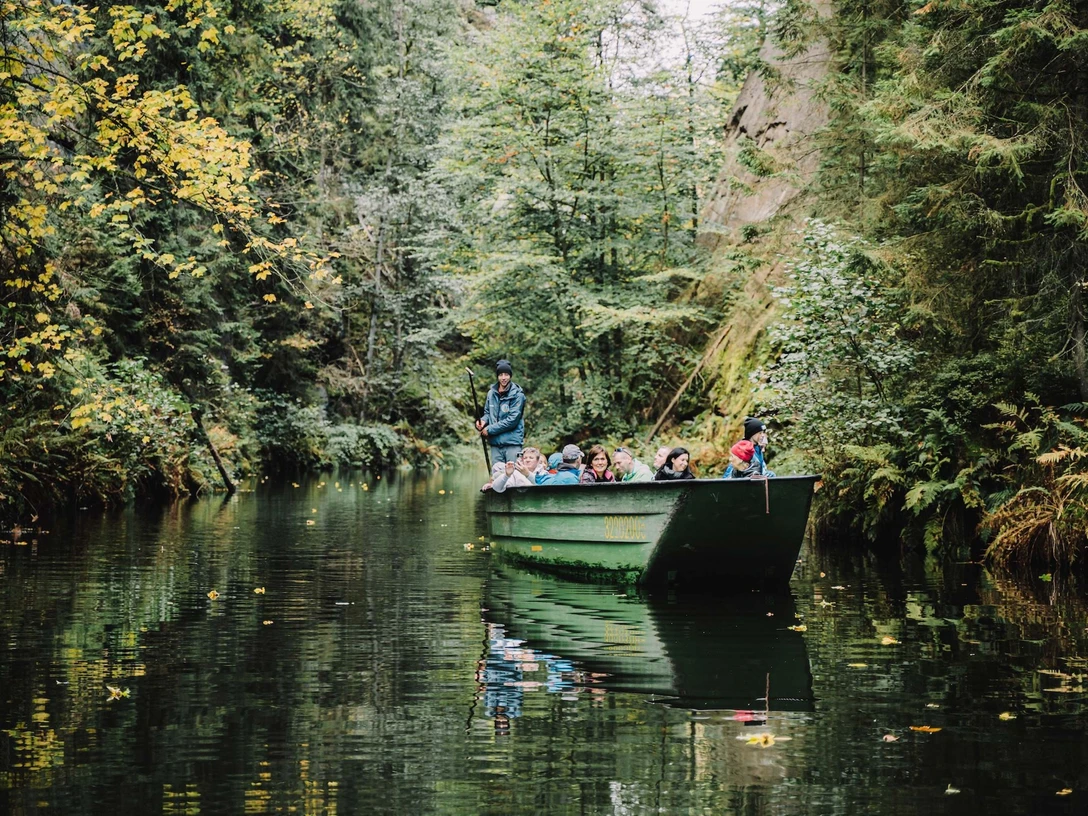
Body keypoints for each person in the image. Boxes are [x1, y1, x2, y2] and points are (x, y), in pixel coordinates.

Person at [476, 360, 526, 464]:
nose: (503, 378)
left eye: (506, 374)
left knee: (514, 477)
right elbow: (487, 413)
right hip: (495, 444)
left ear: (510, 376)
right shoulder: (491, 393)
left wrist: (489, 429)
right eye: (501, 375)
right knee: (497, 476)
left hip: (512, 443)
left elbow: (512, 420)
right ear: (497, 376)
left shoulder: (518, 395)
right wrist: (482, 421)